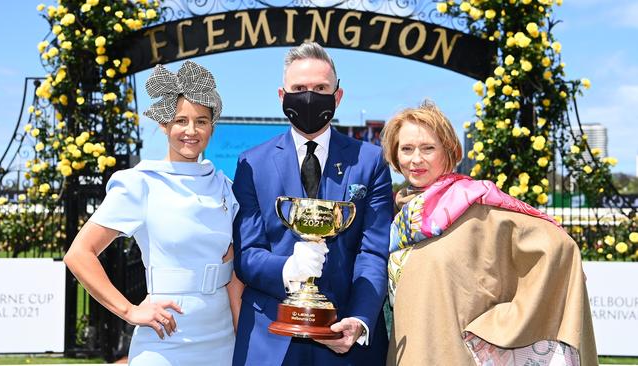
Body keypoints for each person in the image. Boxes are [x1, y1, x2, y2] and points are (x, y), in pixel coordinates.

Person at [381, 101, 597, 365]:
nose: (416, 159)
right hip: (406, 351)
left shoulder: (475, 205)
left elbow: (558, 247)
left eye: (428, 148)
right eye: (406, 149)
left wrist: (496, 328)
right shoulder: (398, 216)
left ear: (449, 152)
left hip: (455, 355)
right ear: (395, 155)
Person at [64, 61, 243, 365]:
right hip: (165, 337)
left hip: (222, 340)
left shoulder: (224, 186)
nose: (191, 130)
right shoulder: (140, 183)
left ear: (212, 126)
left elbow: (233, 272)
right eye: (181, 120)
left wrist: (243, 340)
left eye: (201, 121)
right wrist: (130, 311)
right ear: (164, 124)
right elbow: (79, 254)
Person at [231, 42, 393, 365]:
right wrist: (288, 269)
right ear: (282, 96)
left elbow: (373, 251)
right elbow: (247, 255)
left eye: (320, 88)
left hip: (345, 342)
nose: (309, 96)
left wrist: (359, 320)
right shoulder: (252, 163)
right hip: (269, 341)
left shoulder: (370, 161)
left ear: (337, 96)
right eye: (299, 88)